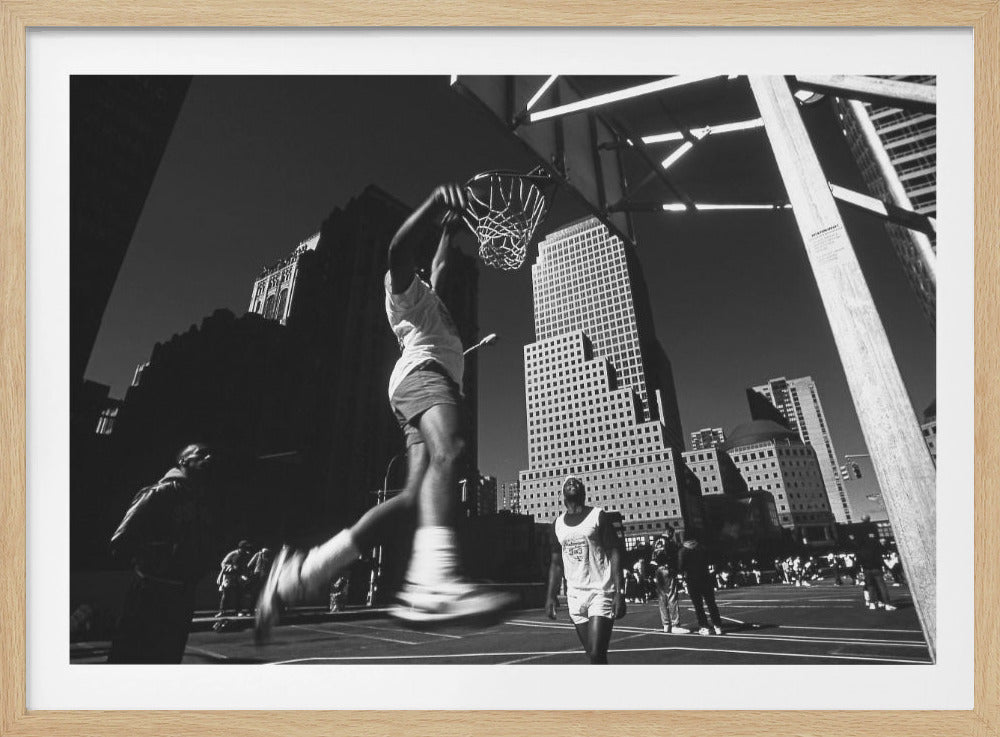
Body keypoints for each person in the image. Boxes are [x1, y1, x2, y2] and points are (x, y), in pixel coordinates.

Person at [255, 184, 513, 642]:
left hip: (426, 381)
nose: (425, 274)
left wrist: (447, 235)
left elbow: (438, 266)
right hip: (423, 375)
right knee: (450, 449)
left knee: (414, 499)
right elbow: (397, 249)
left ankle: (301, 574)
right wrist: (433, 202)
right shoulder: (404, 297)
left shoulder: (430, 298)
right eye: (415, 273)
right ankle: (433, 583)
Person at [107, 443, 219, 663]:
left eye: (210, 454)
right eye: (201, 454)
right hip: (151, 596)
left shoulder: (201, 502)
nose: (209, 458)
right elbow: (120, 541)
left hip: (182, 598)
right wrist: (164, 554)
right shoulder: (160, 493)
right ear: (183, 461)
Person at [545, 477, 625, 664]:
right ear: (562, 495)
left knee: (597, 653)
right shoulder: (557, 524)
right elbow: (556, 563)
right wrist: (551, 595)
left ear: (583, 492)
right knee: (593, 655)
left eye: (576, 482)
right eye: (568, 483)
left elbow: (614, 553)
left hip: (600, 591)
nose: (572, 483)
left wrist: (619, 592)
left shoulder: (598, 515)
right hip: (574, 596)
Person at [677, 533, 724, 636]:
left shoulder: (683, 551)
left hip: (692, 580)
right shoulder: (702, 548)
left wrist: (682, 578)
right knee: (711, 603)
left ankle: (704, 626)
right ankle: (718, 626)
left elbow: (680, 567)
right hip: (705, 577)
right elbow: (711, 562)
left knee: (698, 605)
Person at [856, 517, 897, 611]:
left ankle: (872, 603)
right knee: (881, 585)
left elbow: (858, 554)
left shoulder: (861, 544)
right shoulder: (875, 540)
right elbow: (882, 550)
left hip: (866, 567)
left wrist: (860, 566)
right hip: (876, 566)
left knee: (870, 586)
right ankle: (886, 603)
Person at [652, 534, 689, 634]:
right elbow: (674, 556)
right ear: (670, 533)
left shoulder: (655, 541)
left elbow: (652, 559)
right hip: (667, 568)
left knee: (662, 598)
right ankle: (675, 624)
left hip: (658, 570)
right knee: (672, 596)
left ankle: (666, 624)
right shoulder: (668, 541)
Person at [213, 540, 253, 630]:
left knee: (239, 593)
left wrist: (245, 574)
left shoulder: (246, 555)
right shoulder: (233, 554)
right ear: (240, 548)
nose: (246, 549)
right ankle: (222, 611)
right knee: (226, 594)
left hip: (238, 576)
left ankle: (238, 610)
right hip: (229, 576)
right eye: (244, 548)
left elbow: (246, 566)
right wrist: (228, 566)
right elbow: (223, 563)